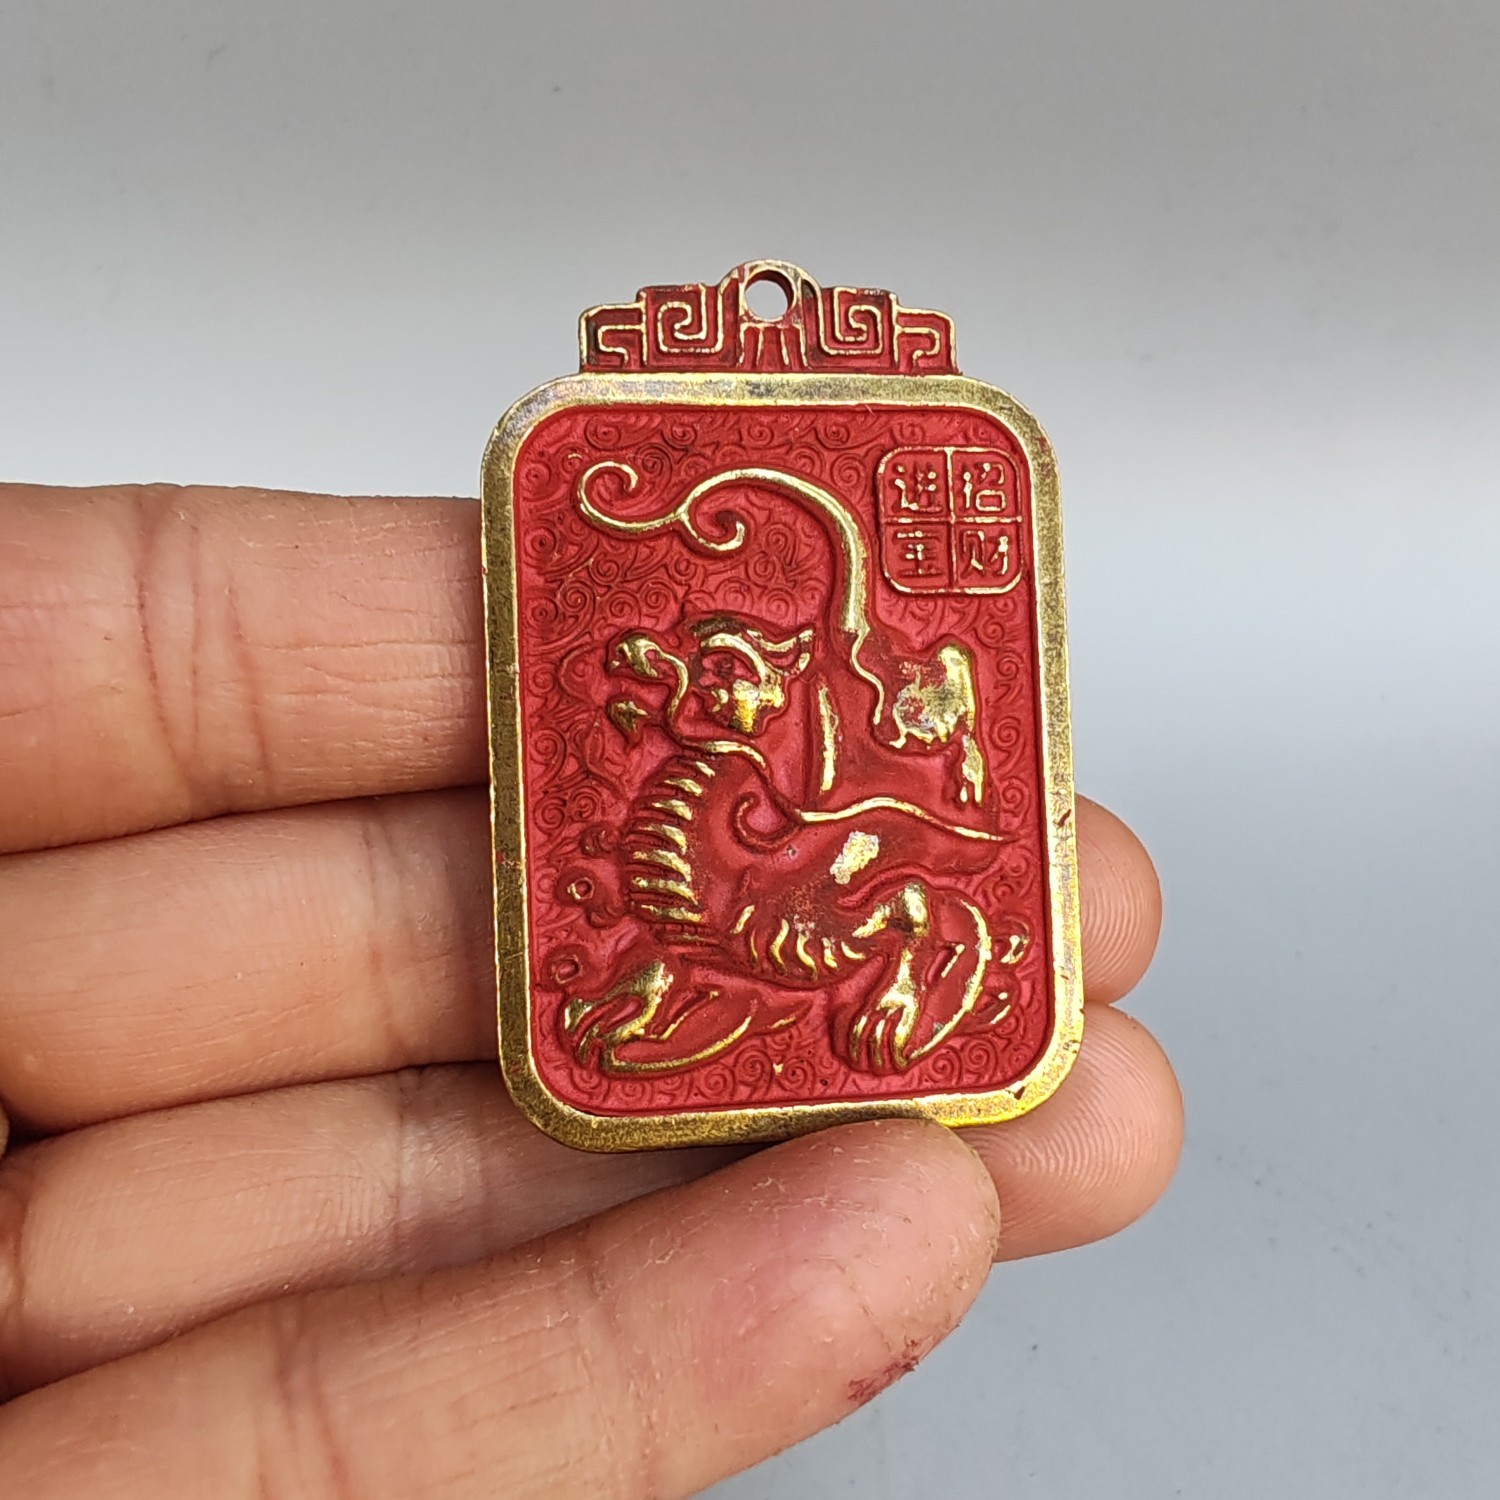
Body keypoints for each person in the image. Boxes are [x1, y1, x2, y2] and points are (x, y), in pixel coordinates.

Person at [0, 481, 1182, 1498]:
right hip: (714, 931)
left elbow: (873, 884)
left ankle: (915, 969)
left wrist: (914, 962)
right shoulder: (705, 781)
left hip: (815, 922)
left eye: (733, 679)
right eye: (706, 678)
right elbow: (680, 926)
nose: (709, 696)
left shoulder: (787, 781)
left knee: (892, 936)